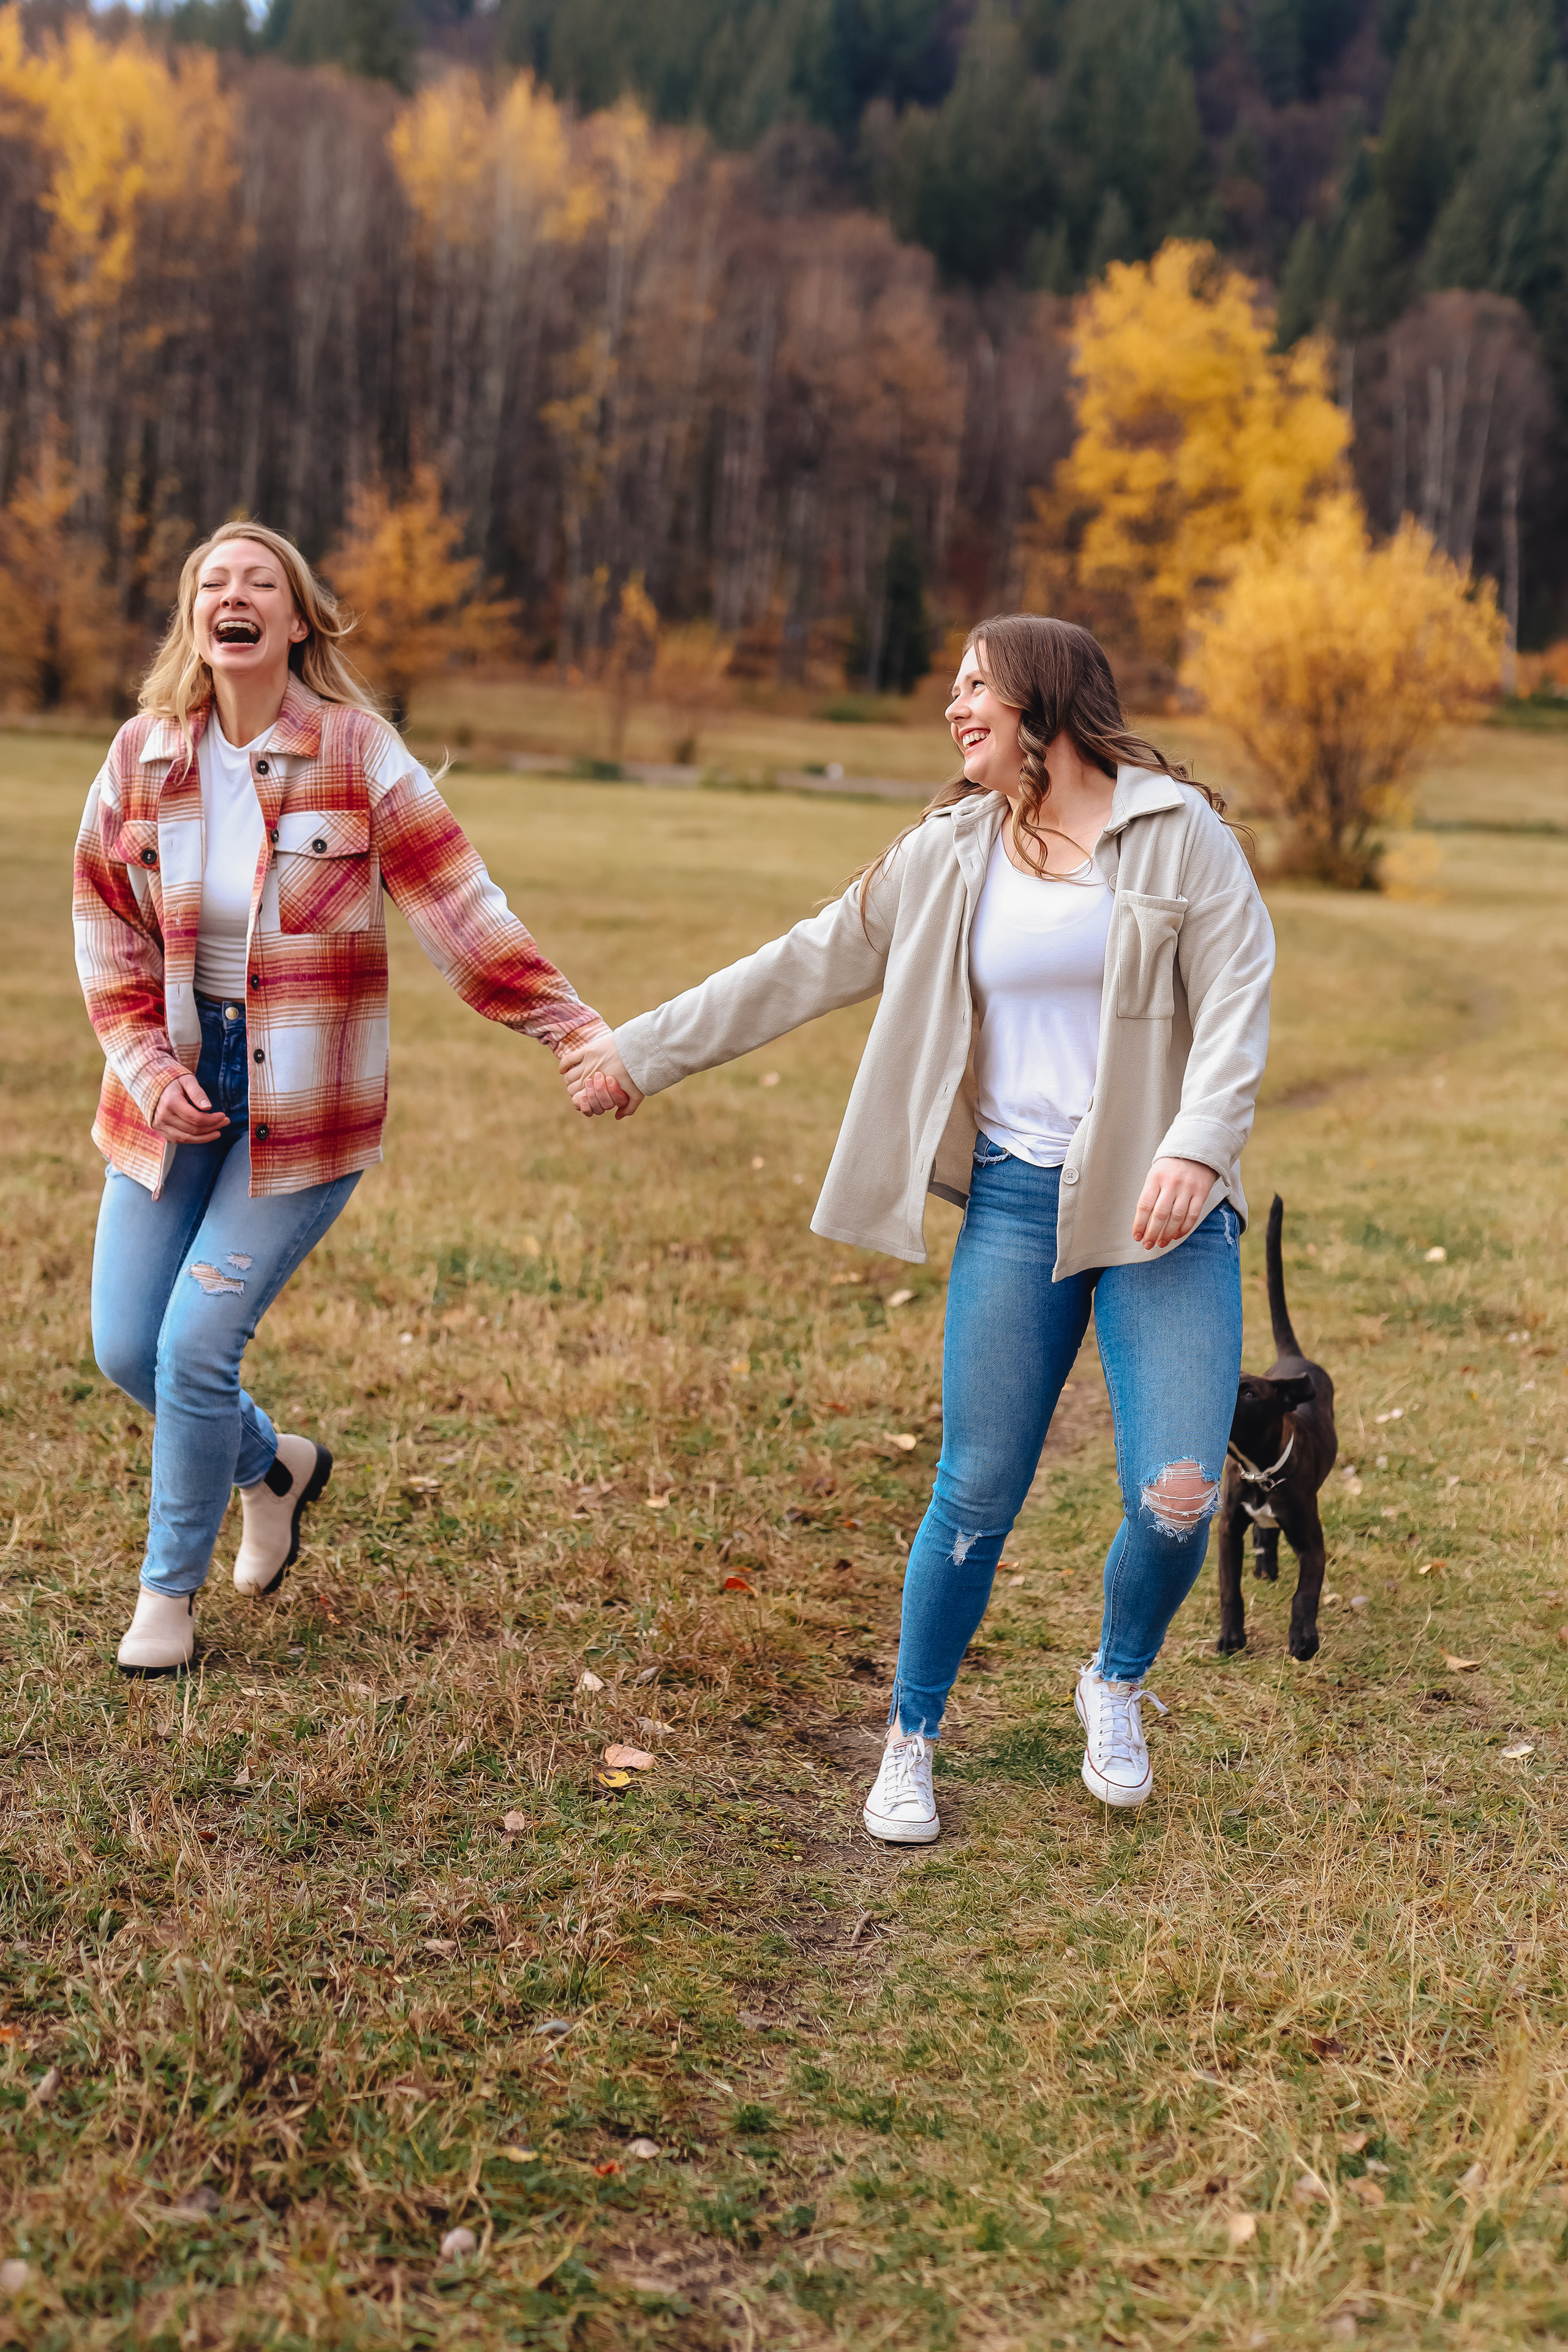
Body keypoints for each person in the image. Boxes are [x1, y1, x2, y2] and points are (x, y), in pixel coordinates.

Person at [560, 614, 1272, 1838]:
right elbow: (804, 962)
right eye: (950, 688)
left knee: (1178, 1493)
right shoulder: (948, 851)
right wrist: (636, 1053)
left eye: (974, 688)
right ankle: (910, 1736)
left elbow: (1238, 1000)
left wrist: (1195, 1145)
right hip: (1011, 1196)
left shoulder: (1174, 835)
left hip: (1162, 1212)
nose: (953, 709)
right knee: (977, 1488)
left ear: (1042, 704)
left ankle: (1112, 1682)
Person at [76, 521, 609, 1676]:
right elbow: (106, 937)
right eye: (213, 582)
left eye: (260, 581)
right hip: (172, 1092)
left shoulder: (359, 753)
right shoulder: (141, 755)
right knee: (128, 1346)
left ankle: (165, 1596)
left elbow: (459, 905)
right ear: (193, 620)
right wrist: (152, 1072)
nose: (236, 594)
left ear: (298, 618)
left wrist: (568, 1024)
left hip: (302, 1105)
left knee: (194, 1347)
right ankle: (274, 1471)